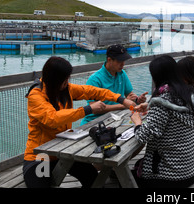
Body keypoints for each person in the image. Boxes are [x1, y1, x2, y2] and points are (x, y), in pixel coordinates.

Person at [23, 56, 136, 188]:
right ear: (54, 79)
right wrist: (87, 109)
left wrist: (121, 99)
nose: (67, 82)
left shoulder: (66, 89)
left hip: (64, 151)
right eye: (64, 79)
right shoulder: (36, 95)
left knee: (93, 178)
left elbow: (92, 91)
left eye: (67, 78)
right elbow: (52, 118)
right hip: (41, 155)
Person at [130, 55, 194, 188]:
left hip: (172, 177)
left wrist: (137, 121)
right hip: (192, 169)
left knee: (124, 177)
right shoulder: (190, 93)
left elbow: (142, 136)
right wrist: (150, 105)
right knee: (135, 166)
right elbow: (173, 109)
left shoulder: (162, 101)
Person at [80, 44, 147, 125]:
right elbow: (93, 108)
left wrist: (137, 100)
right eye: (119, 61)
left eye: (124, 61)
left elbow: (129, 94)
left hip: (115, 118)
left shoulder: (122, 74)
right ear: (109, 60)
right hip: (94, 122)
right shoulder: (95, 79)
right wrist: (123, 105)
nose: (123, 64)